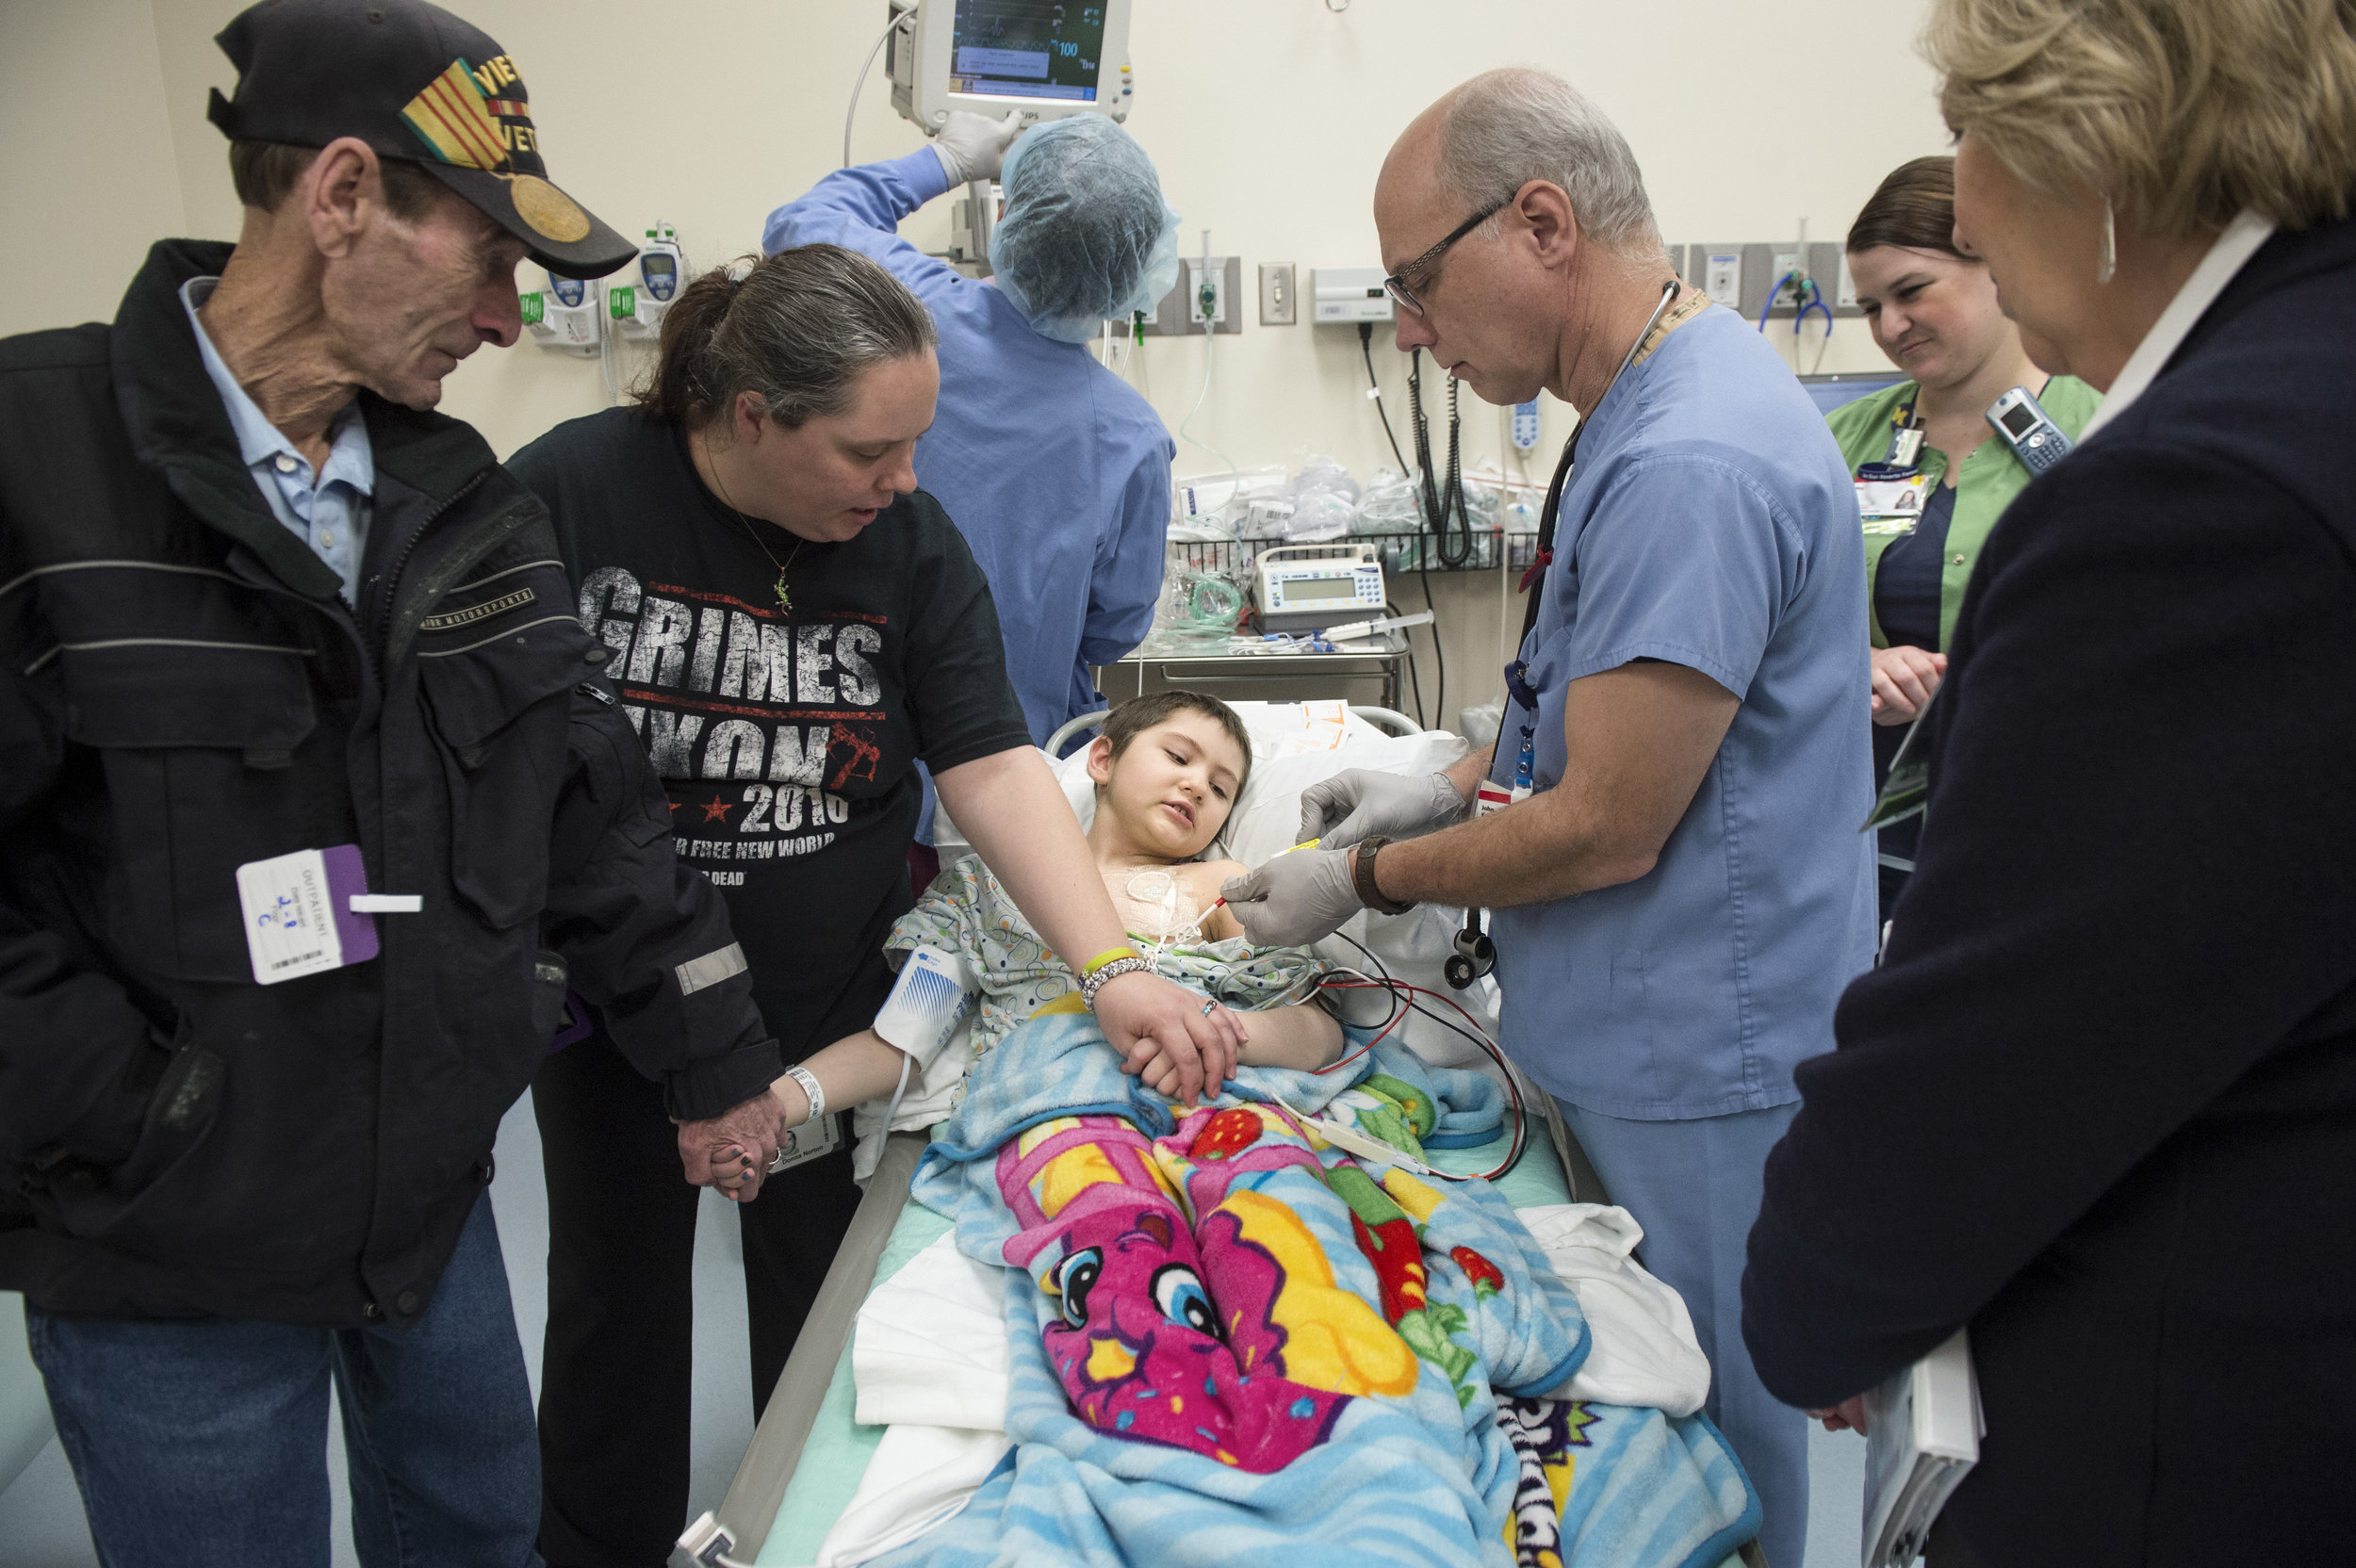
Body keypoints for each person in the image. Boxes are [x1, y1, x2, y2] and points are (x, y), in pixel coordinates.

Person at [0, 2, 795, 1562]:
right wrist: (144, 1109)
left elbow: (592, 801)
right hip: (170, 1237)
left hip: (428, 1194)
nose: (508, 321)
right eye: (490, 259)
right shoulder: (37, 462)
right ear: (344, 196)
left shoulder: (462, 499)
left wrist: (716, 1051)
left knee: (479, 1528)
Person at [1220, 67, 1876, 1568]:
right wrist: (1446, 776)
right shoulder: (1644, 404)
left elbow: (1607, 824)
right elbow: (1594, 722)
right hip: (1638, 1038)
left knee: (1720, 1482)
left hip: (1705, 1061)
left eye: (1414, 285)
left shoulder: (1688, 461)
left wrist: (1364, 873)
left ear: (1540, 224)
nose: (1406, 331)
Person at [515, 245, 1247, 1568]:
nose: (903, 478)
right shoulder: (573, 495)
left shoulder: (904, 541)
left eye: (916, 443)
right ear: (751, 417)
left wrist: (1111, 967)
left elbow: (991, 759)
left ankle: (808, 1540)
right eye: (870, 449)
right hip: (611, 1003)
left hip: (812, 1005)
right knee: (613, 1302)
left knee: (819, 1296)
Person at [1742, 0, 2356, 1562]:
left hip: (2203, 1436)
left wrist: (1828, 1283)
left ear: (2091, 141)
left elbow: (1969, 1100)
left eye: (1967, 139)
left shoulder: (2186, 502)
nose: (1966, 204)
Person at [763, 111, 1181, 872]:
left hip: (836, 771)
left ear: (1008, 216)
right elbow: (1114, 629)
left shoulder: (908, 315)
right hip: (1001, 795)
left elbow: (801, 223)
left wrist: (946, 159)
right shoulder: (1130, 438)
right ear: (1139, 263)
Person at [780, 690, 1345, 1127]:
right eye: (1178, 756)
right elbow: (905, 1038)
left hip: (1195, 1116)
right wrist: (780, 1104)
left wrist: (1220, 1033)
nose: (1197, 785)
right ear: (1102, 758)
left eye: (1222, 790)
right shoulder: (992, 885)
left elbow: (1321, 1030)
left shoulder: (1218, 888)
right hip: (1042, 1120)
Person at [1829, 155, 2101, 922]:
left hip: (2053, 821)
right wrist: (1860, 664)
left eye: (1912, 292)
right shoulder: (1841, 443)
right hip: (1873, 835)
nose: (1890, 327)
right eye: (1870, 307)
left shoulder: (2104, 421)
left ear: (1993, 262)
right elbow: (1780, 625)